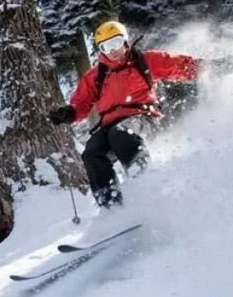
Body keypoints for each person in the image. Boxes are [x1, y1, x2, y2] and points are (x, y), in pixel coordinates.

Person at [48, 21, 203, 209]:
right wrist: (69, 113)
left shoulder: (144, 61)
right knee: (91, 152)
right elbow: (81, 102)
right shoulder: (96, 75)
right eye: (106, 47)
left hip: (142, 117)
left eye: (116, 43)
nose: (113, 51)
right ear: (100, 50)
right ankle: (111, 207)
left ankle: (146, 184)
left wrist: (210, 67)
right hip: (108, 126)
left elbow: (178, 66)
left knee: (121, 134)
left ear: (126, 41)